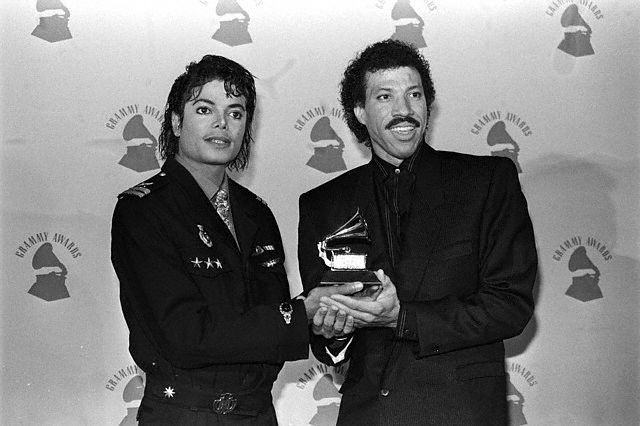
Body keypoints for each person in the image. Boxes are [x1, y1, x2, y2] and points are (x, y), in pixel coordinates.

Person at [111, 54, 361, 425]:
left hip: (258, 413)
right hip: (183, 415)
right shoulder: (144, 210)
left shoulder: (256, 212)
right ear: (176, 122)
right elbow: (184, 336)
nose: (222, 123)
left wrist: (325, 317)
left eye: (236, 113)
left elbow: (271, 320)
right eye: (204, 109)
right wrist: (301, 313)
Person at [298, 39, 537, 425]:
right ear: (359, 111)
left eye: (414, 95)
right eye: (385, 97)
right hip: (369, 414)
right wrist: (332, 332)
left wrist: (402, 318)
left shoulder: (486, 181)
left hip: (460, 413)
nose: (404, 110)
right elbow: (325, 336)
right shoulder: (323, 204)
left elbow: (510, 307)